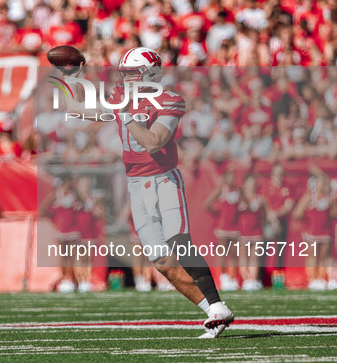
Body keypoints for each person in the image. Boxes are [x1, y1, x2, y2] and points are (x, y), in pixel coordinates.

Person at [63, 47, 234, 338]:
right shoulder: (120, 98)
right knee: (162, 261)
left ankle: (217, 303)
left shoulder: (169, 100)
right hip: (135, 183)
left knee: (180, 244)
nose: (128, 79)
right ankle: (214, 311)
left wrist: (127, 116)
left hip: (163, 179)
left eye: (134, 73)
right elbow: (78, 110)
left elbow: (154, 142)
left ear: (151, 73)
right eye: (126, 73)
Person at [293, 170, 336, 291]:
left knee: (322, 256)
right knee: (312, 255)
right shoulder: (310, 196)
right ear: (315, 183)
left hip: (325, 232)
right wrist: (308, 218)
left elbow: (334, 212)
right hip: (312, 232)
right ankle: (312, 279)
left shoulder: (329, 198)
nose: (322, 185)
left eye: (324, 182)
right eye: (320, 182)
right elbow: (297, 213)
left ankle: (320, 279)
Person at [204, 170, 240, 291]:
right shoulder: (221, 190)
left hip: (234, 227)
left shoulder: (238, 191)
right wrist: (217, 211)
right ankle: (223, 277)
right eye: (230, 177)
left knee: (233, 254)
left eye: (234, 177)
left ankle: (232, 278)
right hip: (222, 227)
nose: (232, 180)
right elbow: (207, 204)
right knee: (222, 253)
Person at [237, 174, 265, 291]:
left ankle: (252, 280)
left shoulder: (260, 199)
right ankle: (246, 279)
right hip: (243, 231)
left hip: (257, 231)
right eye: (250, 183)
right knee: (243, 256)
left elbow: (266, 214)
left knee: (255, 256)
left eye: (254, 184)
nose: (252, 186)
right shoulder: (240, 198)